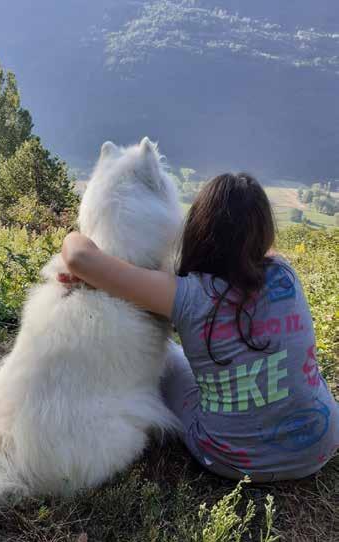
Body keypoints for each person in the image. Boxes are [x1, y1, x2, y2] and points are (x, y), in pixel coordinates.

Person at [59, 173, 339, 482]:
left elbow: (78, 255)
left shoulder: (188, 294)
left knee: (168, 354)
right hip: (321, 445)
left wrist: (86, 247)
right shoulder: (285, 274)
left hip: (231, 459)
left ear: (199, 228)